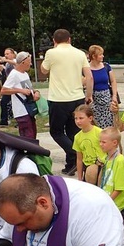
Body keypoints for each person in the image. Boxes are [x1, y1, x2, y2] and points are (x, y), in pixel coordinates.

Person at [40, 29, 93, 176]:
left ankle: (75, 154)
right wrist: (88, 95)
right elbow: (89, 76)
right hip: (76, 96)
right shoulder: (80, 53)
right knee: (73, 131)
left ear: (54, 41)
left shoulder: (52, 53)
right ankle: (72, 163)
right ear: (70, 39)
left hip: (58, 99)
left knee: (56, 131)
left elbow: (43, 70)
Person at [0, 51, 39, 139]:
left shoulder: (25, 74)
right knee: (28, 135)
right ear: (23, 62)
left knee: (33, 132)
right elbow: (3, 90)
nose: (31, 64)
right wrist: (20, 90)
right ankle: (28, 151)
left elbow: (29, 88)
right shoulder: (14, 74)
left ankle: (32, 151)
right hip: (21, 110)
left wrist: (36, 92)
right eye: (29, 62)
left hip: (29, 109)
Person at [98, 127, 124, 215]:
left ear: (114, 143)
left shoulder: (119, 161)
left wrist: (107, 201)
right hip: (107, 199)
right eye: (100, 141)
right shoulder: (106, 158)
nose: (100, 144)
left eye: (103, 142)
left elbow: (119, 188)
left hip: (115, 205)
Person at [72, 104, 106, 183]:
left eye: (81, 118)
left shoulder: (99, 132)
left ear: (90, 118)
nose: (78, 121)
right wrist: (80, 178)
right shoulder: (77, 137)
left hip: (101, 166)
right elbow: (79, 159)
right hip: (87, 168)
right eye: (76, 118)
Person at [88, 44, 118, 128]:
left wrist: (114, 96)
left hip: (106, 98)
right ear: (94, 56)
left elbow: (113, 81)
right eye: (100, 54)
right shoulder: (87, 68)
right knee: (96, 124)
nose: (103, 56)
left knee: (109, 123)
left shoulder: (106, 66)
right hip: (94, 99)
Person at [0, 48, 17, 126]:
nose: (6, 55)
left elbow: (15, 63)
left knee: (18, 104)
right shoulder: (7, 64)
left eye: (8, 54)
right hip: (9, 86)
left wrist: (5, 60)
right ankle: (4, 120)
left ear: (13, 54)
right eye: (5, 54)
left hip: (16, 86)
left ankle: (19, 120)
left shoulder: (15, 61)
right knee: (3, 102)